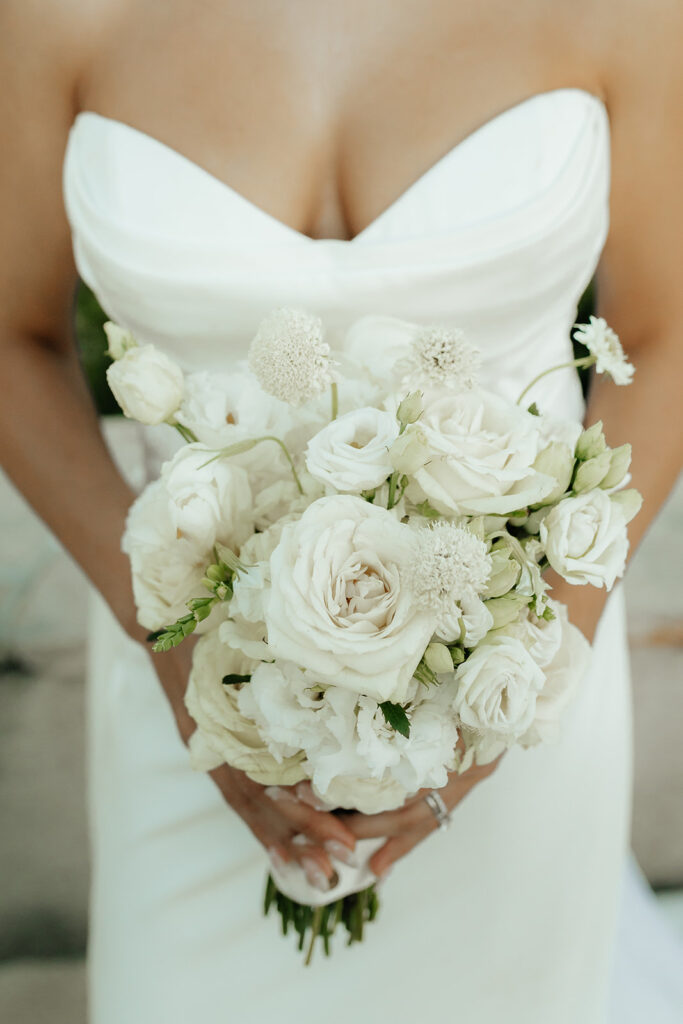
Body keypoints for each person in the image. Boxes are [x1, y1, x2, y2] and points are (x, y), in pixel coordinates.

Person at [1, 1, 681, 1021]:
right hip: (189, 715)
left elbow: (663, 329)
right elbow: (12, 339)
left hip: (515, 704)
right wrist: (173, 644)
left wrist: (525, 661)